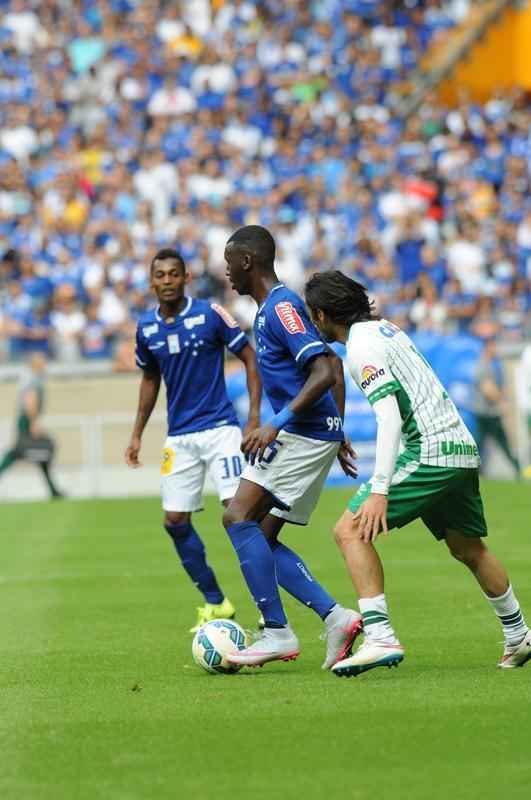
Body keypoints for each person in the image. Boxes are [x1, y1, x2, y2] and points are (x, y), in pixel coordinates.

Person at [304, 270, 530, 676]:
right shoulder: (386, 329)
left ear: (321, 315)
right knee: (468, 548)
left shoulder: (361, 348)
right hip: (460, 446)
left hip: (431, 451)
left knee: (349, 530)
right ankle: (519, 634)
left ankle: (380, 636)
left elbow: (388, 418)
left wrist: (379, 489)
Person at [223, 225, 362, 670]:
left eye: (229, 265)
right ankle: (336, 617)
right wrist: (338, 430)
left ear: (247, 262)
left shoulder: (282, 307)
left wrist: (274, 423)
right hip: (313, 431)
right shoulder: (269, 311)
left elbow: (323, 370)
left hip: (300, 431)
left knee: (237, 516)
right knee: (261, 534)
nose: (227, 275)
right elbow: (333, 364)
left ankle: (276, 632)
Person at [125, 248, 261, 633]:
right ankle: (216, 602)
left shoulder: (210, 314)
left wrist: (252, 419)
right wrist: (136, 434)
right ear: (152, 282)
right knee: (174, 520)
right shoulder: (146, 328)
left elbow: (250, 359)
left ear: (186, 278)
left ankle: (270, 611)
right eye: (160, 275)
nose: (167, 281)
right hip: (180, 437)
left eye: (174, 274)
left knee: (239, 516)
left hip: (221, 429)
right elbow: (150, 380)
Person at [0, 352, 64, 499]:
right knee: (20, 452)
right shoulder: (33, 380)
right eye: (42, 361)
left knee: (41, 455)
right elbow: (31, 400)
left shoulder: (31, 378)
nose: (44, 364)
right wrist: (34, 422)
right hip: (27, 421)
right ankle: (53, 490)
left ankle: (53, 490)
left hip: (27, 420)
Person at [474, 338, 520, 477]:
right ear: (487, 348)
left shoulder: (495, 365)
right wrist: (502, 402)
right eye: (493, 346)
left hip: (489, 412)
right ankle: (517, 469)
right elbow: (487, 388)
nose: (496, 349)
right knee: (496, 442)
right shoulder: (483, 365)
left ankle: (478, 472)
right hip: (485, 412)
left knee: (484, 443)